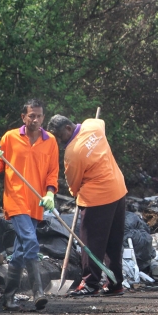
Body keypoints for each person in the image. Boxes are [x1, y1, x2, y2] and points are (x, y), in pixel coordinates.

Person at [0, 99, 59, 311]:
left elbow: (53, 173)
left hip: (36, 203)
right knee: (30, 241)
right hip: (16, 200)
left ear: (43, 117)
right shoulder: (10, 137)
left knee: (20, 251)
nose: (35, 120)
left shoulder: (51, 141)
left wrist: (50, 194)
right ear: (23, 117)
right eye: (31, 116)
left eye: (39, 116)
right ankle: (38, 292)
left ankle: (8, 298)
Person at [47, 114, 127, 297]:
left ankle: (90, 283)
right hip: (118, 189)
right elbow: (102, 121)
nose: (59, 141)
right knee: (113, 242)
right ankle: (115, 283)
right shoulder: (93, 125)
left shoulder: (72, 152)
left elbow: (74, 183)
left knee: (91, 242)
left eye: (60, 136)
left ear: (68, 128)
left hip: (96, 199)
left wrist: (75, 194)